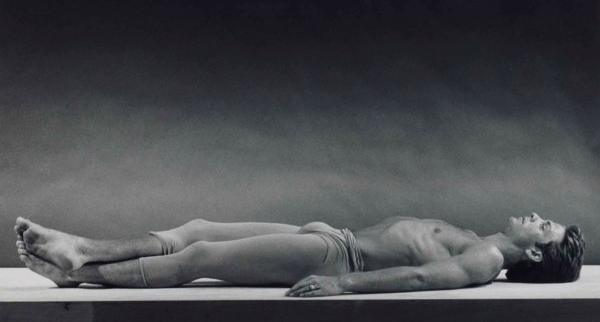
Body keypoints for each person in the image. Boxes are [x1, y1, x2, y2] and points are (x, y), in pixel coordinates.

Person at [15, 213, 584, 296]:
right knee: (199, 228)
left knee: (202, 254)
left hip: (339, 260)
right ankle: (81, 254)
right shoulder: (483, 241)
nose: (536, 216)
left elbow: (418, 276)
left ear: (536, 254)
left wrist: (342, 284)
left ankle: (83, 270)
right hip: (337, 238)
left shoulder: (486, 261)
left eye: (545, 226)